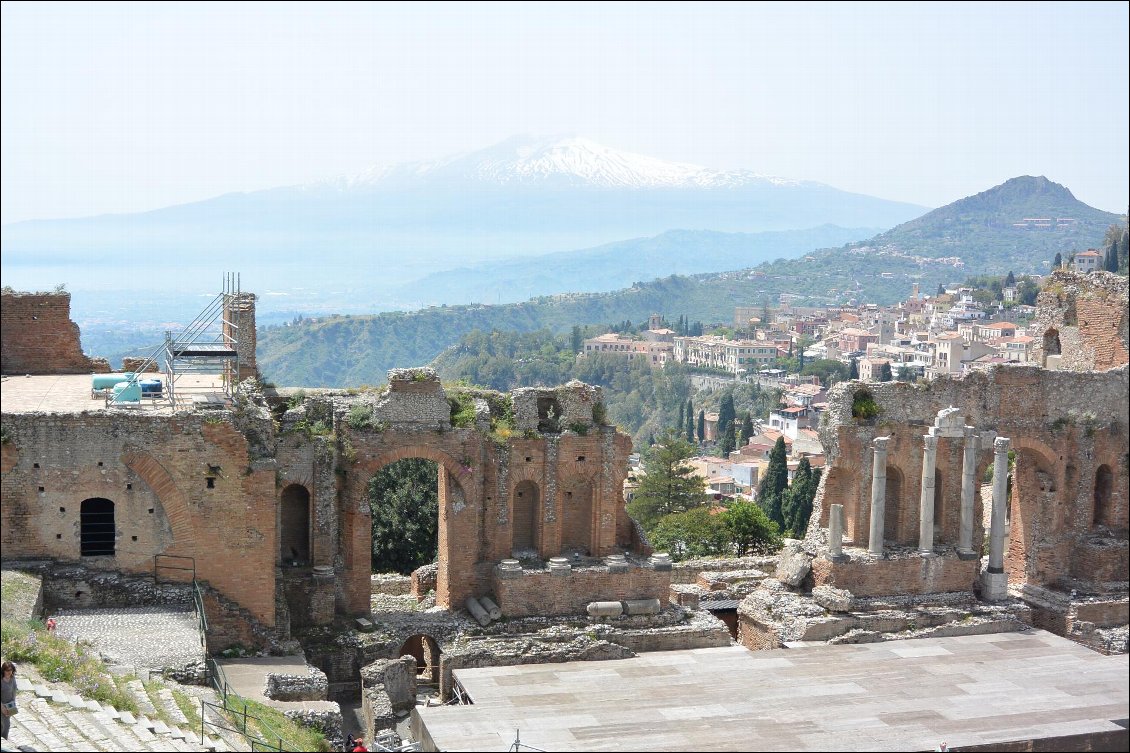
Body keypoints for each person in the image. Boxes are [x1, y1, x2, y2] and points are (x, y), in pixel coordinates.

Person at [1, 661, 17, 741]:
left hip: (9, 705)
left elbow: (14, 691)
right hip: (2, 705)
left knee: (3, 724)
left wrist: (13, 704)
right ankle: (4, 742)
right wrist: (2, 707)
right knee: (6, 725)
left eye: (10, 670)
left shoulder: (13, 678)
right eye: (7, 670)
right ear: (3, 670)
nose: (9, 672)